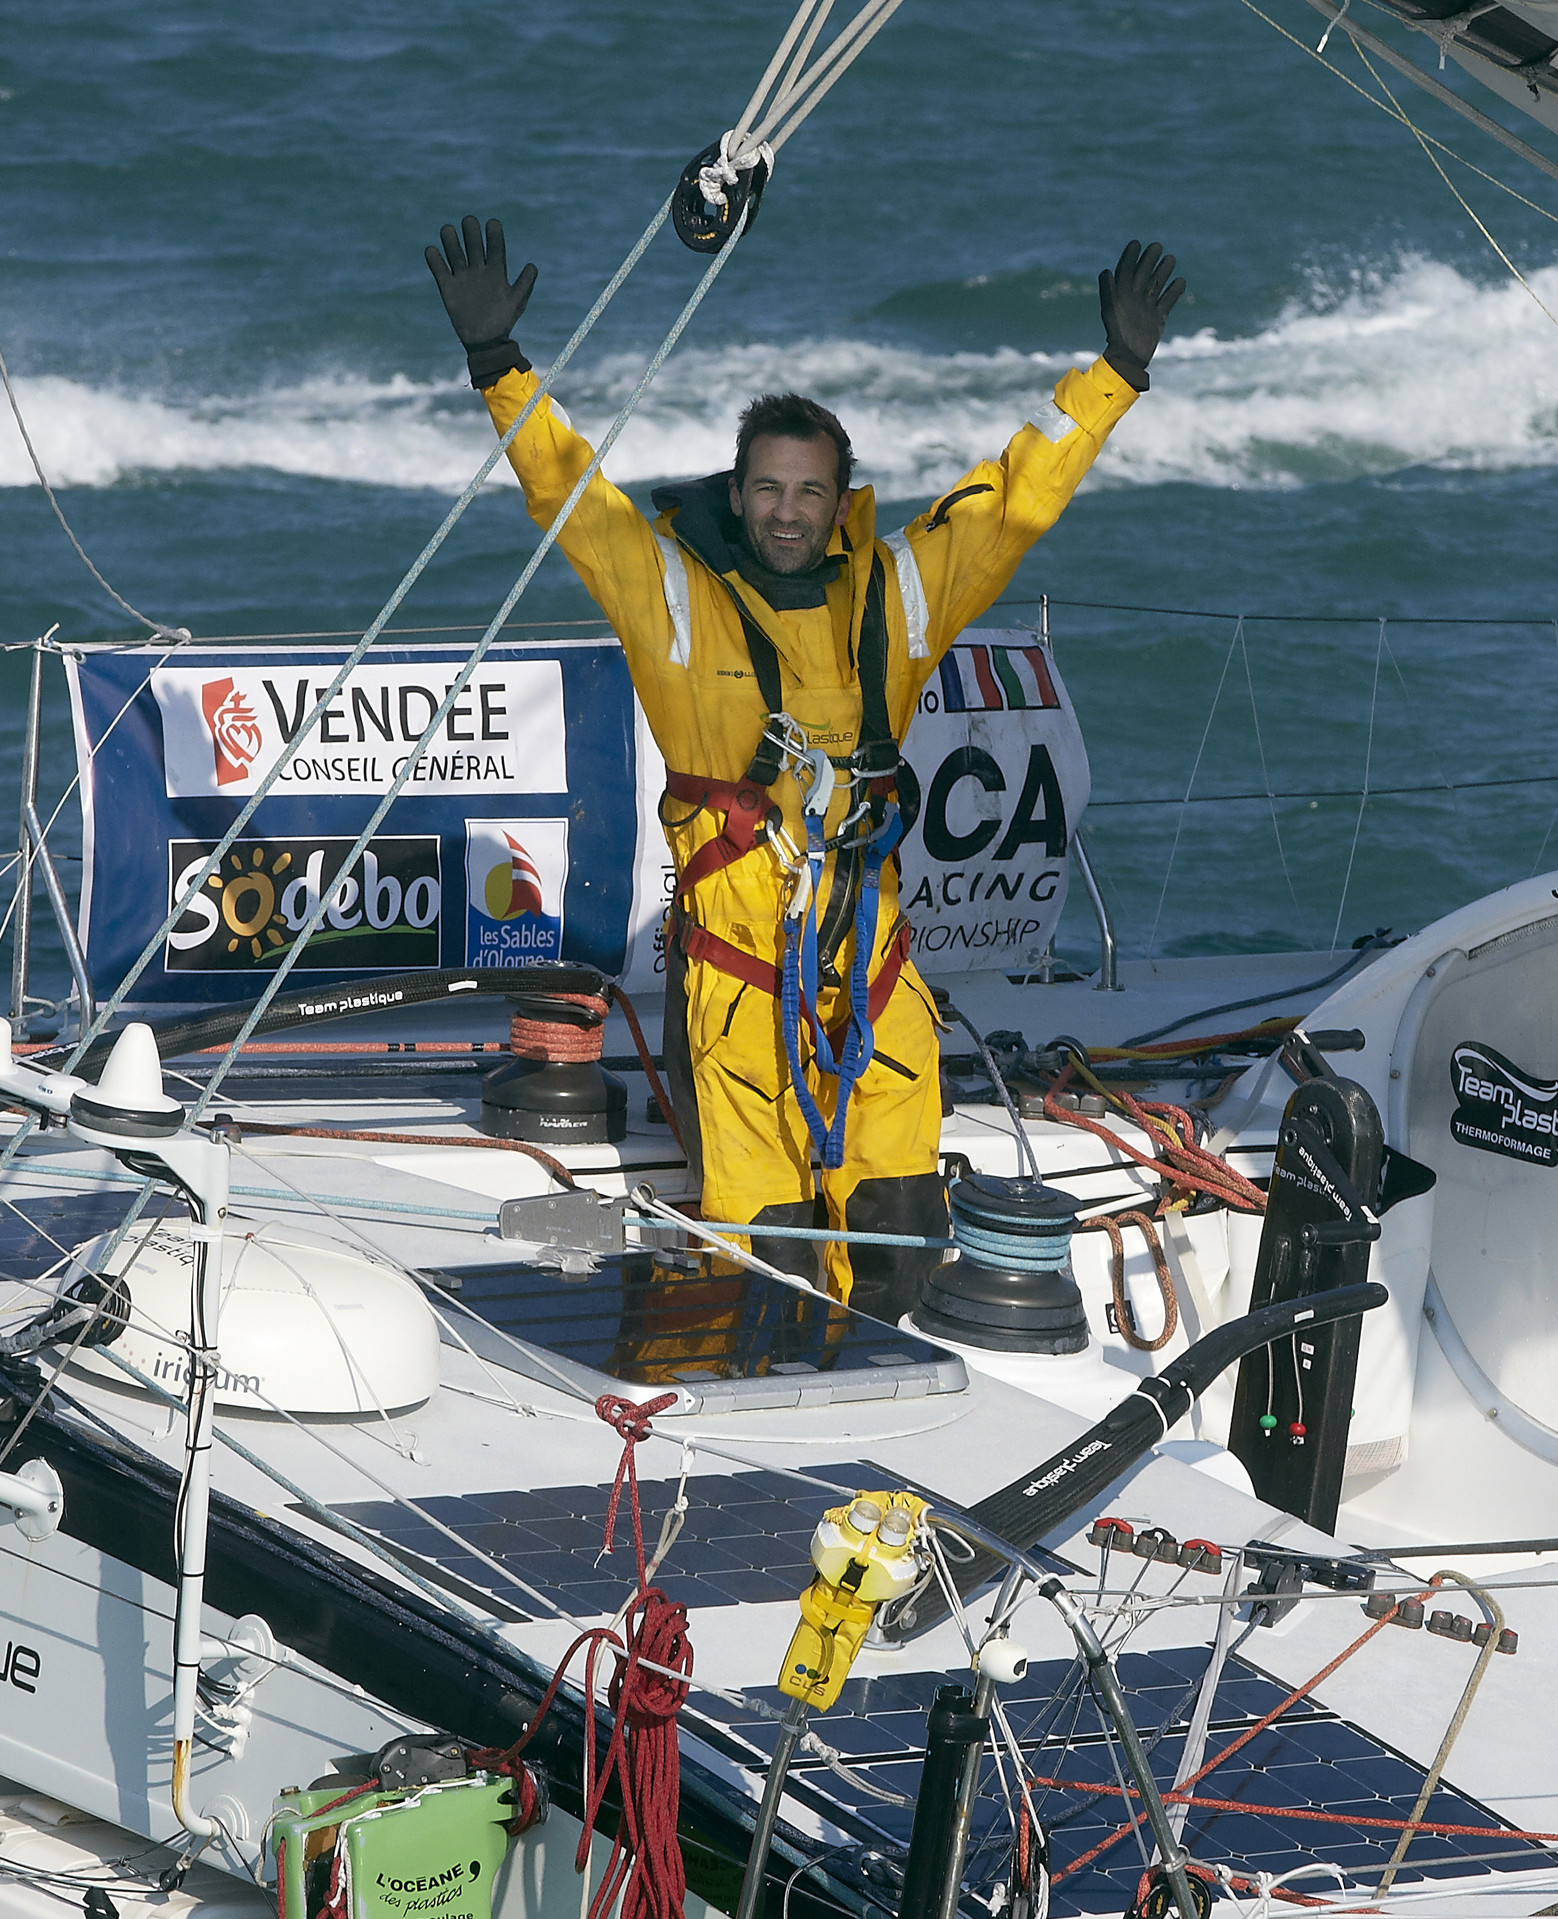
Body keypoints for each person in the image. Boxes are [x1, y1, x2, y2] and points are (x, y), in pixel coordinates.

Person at [426, 219, 1183, 1322]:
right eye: (768, 489)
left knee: (900, 1226)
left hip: (870, 959)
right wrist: (500, 367)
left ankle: (906, 1394)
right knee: (769, 1239)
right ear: (736, 495)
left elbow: (1018, 499)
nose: (787, 510)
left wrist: (1114, 373)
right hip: (739, 976)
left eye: (809, 492)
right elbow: (573, 503)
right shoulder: (669, 596)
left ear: (841, 503)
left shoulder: (900, 590)